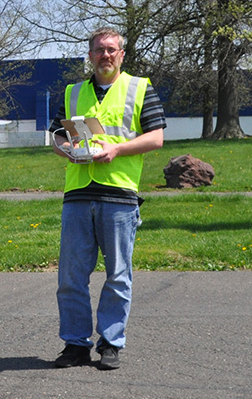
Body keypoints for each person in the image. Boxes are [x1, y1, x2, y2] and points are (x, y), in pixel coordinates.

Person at [49, 26, 166, 370]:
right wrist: (66, 150)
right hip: (78, 195)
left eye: (112, 50)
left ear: (122, 55)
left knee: (118, 274)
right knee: (71, 277)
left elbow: (156, 137)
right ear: (90, 55)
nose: (106, 55)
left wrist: (117, 149)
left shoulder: (140, 88)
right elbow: (57, 137)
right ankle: (75, 344)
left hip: (120, 195)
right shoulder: (73, 92)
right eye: (100, 50)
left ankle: (111, 343)